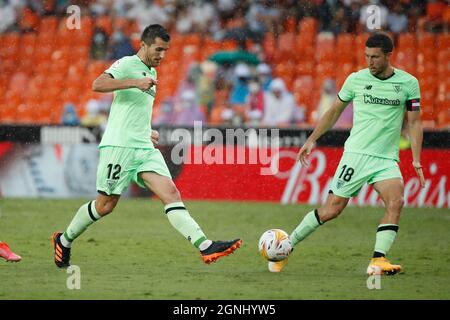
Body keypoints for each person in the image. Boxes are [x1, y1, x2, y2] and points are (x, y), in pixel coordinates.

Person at [51, 24, 242, 269]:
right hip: (119, 146)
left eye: (165, 51)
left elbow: (134, 109)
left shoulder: (151, 72)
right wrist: (134, 82)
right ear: (144, 45)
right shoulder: (128, 64)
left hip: (142, 147)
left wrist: (145, 130)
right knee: (105, 205)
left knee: (170, 193)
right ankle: (64, 240)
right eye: (158, 49)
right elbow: (97, 84)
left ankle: (205, 246)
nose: (162, 55)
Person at [269, 33, 425, 275]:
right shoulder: (356, 80)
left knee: (396, 202)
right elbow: (333, 111)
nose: (370, 62)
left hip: (385, 159)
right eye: (367, 56)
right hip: (356, 155)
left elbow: (414, 123)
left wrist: (416, 158)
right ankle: (286, 247)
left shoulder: (408, 83)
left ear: (388, 56)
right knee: (332, 209)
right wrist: (312, 139)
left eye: (375, 57)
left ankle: (378, 260)